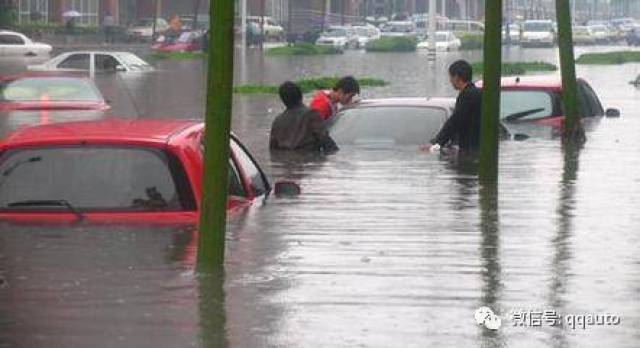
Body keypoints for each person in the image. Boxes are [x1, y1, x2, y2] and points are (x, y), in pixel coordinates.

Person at [423, 60, 482, 153]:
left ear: (456, 77)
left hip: (471, 150)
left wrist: (436, 144)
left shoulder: (466, 95)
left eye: (450, 77)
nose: (450, 81)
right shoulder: (479, 93)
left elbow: (455, 121)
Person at [270, 81, 338, 152]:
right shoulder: (312, 114)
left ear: (283, 100)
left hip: (284, 160)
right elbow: (325, 140)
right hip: (308, 158)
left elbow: (273, 149)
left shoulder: (277, 121)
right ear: (300, 95)